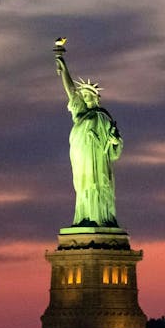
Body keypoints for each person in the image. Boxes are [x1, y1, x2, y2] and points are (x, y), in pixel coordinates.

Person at [55, 54, 123, 227]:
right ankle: (85, 216)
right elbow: (71, 92)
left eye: (88, 96)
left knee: (97, 184)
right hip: (81, 156)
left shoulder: (103, 117)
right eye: (84, 96)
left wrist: (115, 141)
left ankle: (99, 217)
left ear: (96, 97)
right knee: (83, 186)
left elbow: (115, 149)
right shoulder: (80, 114)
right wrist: (64, 68)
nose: (85, 98)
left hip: (98, 157)